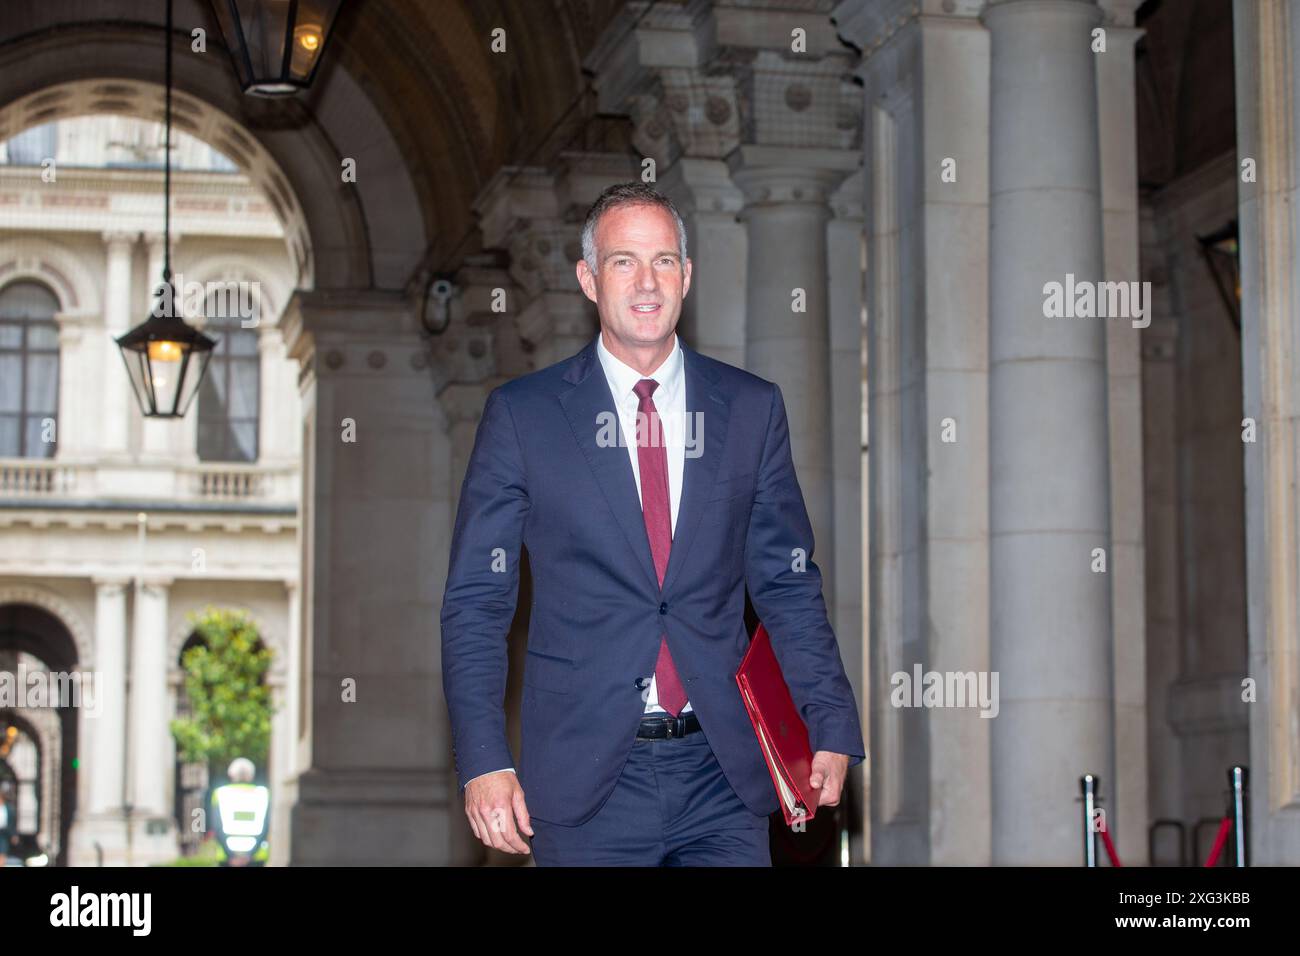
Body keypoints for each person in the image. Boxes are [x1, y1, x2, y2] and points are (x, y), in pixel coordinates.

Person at [441, 181, 865, 866]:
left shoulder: (750, 410)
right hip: (586, 781)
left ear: (687, 275)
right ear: (587, 278)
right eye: (623, 261)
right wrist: (483, 759)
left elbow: (788, 583)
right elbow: (475, 603)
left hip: (722, 773)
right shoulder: (524, 417)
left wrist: (831, 718)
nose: (646, 282)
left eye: (664, 260)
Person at [209, 757, 269, 866]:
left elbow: (217, 827)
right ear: (251, 775)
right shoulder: (263, 794)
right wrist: (249, 855)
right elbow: (266, 826)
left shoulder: (220, 794)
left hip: (226, 857)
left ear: (231, 774)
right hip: (255, 857)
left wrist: (231, 856)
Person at [0, 786, 15, 864]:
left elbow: (11, 822)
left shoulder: (8, 808)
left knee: (3, 852)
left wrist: (13, 835)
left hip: (4, 833)